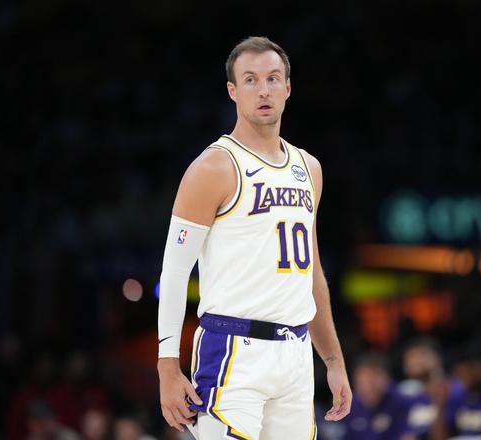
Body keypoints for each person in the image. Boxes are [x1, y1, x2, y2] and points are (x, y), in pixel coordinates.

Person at [156, 36, 352, 439]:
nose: (263, 90)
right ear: (233, 91)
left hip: (296, 354)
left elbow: (312, 273)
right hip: (233, 350)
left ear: (288, 88)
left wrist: (333, 360)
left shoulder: (309, 168)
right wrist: (167, 367)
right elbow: (174, 274)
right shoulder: (213, 167)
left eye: (272, 78)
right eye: (250, 80)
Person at [430, 349, 481, 440]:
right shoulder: (457, 394)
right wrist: (440, 404)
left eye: (468, 371)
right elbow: (439, 437)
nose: (465, 377)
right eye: (461, 373)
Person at [343, 352, 414, 440]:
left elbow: (409, 435)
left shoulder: (402, 401)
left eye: (372, 381)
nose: (367, 387)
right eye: (363, 382)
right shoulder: (349, 405)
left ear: (386, 379)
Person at [397, 337, 444, 439]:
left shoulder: (452, 389)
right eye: (411, 357)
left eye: (422, 355)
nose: (415, 361)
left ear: (437, 358)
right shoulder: (403, 392)